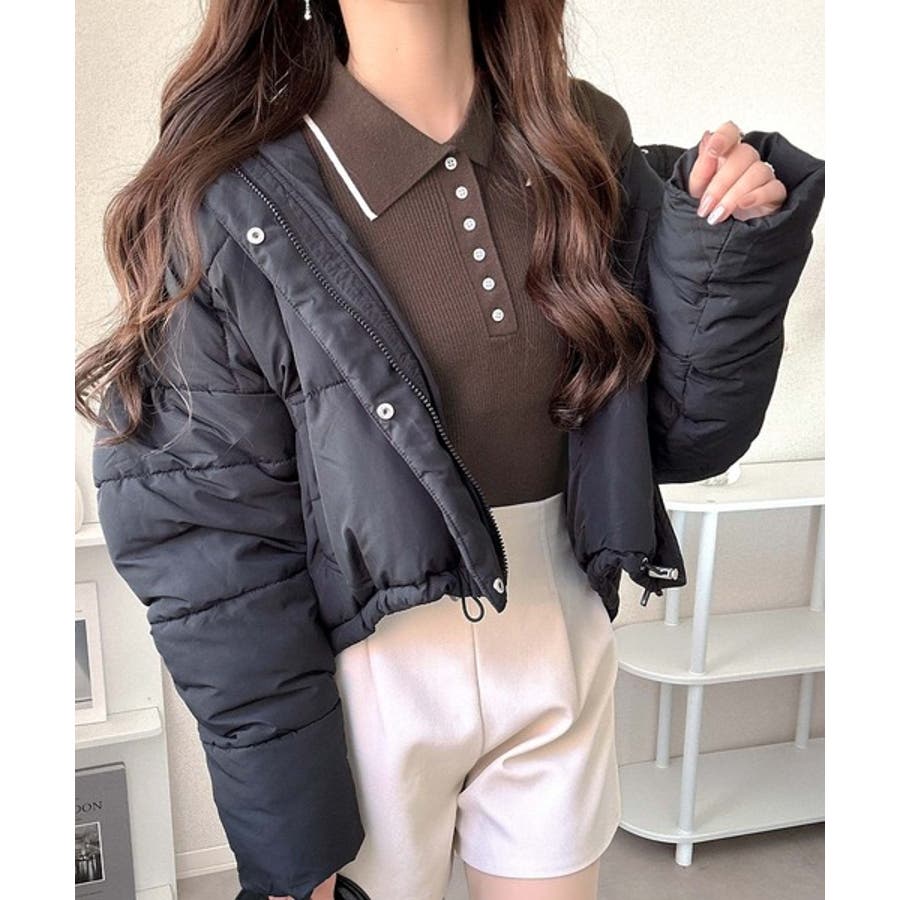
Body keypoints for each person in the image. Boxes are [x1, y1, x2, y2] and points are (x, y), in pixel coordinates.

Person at [74, 2, 825, 899]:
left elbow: (678, 437)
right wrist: (290, 834)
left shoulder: (581, 137)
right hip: (359, 679)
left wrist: (726, 251)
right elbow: (211, 545)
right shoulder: (235, 193)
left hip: (558, 636)